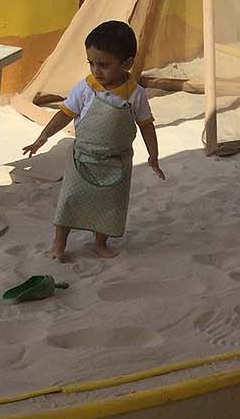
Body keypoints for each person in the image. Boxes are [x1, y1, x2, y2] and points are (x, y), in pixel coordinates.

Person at [23, 20, 164, 260]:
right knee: (70, 200)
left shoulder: (136, 94)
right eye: (91, 63)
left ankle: (100, 242)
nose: (96, 70)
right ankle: (59, 243)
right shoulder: (85, 88)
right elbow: (64, 114)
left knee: (109, 206)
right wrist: (42, 138)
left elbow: (146, 126)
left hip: (116, 163)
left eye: (104, 65)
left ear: (127, 63)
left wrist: (153, 155)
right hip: (82, 159)